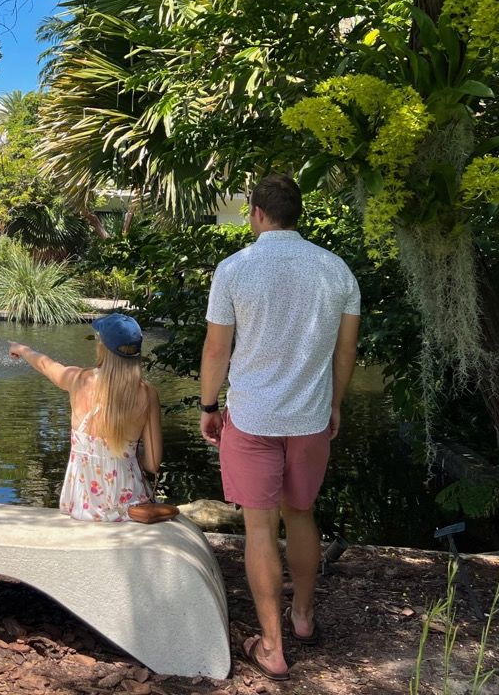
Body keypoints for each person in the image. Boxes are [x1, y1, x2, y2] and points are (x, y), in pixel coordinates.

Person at [198, 174, 360, 681]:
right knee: (302, 515)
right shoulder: (337, 271)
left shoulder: (235, 269)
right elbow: (345, 350)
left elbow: (217, 348)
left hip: (250, 417)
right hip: (310, 417)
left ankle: (272, 646)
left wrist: (208, 404)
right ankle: (304, 617)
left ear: (258, 213)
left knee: (260, 528)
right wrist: (335, 404)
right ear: (297, 213)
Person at [9, 313, 163, 521]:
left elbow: (46, 365)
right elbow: (153, 463)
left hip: (83, 501)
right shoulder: (147, 393)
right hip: (129, 503)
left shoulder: (78, 379)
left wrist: (23, 350)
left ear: (101, 347)